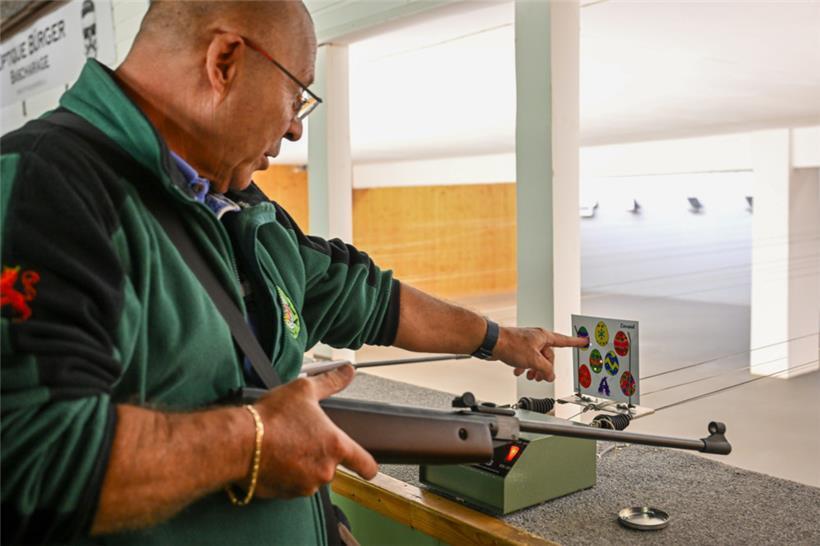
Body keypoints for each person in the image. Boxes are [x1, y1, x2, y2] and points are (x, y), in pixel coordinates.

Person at [0, 1, 587, 544]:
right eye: (296, 93)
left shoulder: (241, 207)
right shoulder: (38, 188)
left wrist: (500, 340)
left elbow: (363, 296)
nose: (295, 128)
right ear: (225, 61)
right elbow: (27, 462)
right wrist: (248, 443)